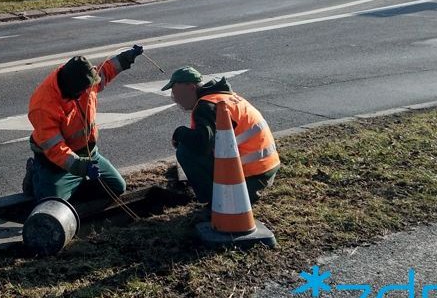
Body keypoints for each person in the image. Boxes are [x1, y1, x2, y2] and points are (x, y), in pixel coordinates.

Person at [23, 46, 144, 202]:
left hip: (89, 153)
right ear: (73, 90)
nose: (90, 90)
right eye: (84, 90)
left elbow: (105, 71)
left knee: (117, 187)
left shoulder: (83, 79)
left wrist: (126, 57)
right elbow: (55, 149)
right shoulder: (43, 105)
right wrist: (82, 167)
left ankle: (78, 182)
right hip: (55, 165)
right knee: (53, 204)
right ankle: (36, 174)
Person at [162, 67, 280, 205]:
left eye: (176, 92)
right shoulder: (223, 97)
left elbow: (202, 144)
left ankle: (215, 201)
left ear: (191, 87)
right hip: (266, 169)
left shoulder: (206, 106)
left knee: (185, 152)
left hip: (249, 176)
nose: (176, 98)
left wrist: (180, 133)